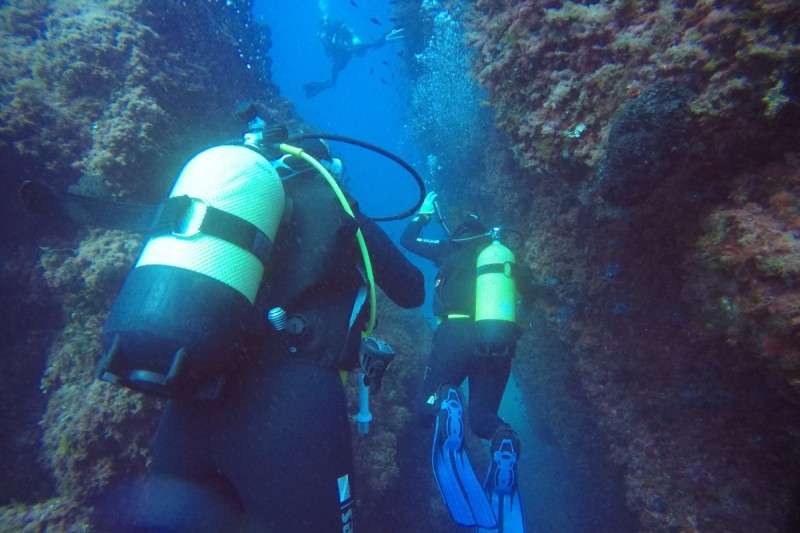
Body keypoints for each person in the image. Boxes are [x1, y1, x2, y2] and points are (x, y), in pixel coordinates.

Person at [80, 130, 426, 531]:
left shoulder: (221, 206)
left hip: (192, 397)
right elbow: (412, 291)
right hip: (293, 404)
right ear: (326, 170)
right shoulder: (337, 206)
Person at [401, 191, 530, 532]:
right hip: (498, 339)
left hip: (455, 333)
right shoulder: (501, 261)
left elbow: (407, 240)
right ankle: (503, 438)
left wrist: (424, 214)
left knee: (426, 411)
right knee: (483, 419)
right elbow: (530, 295)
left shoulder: (449, 247)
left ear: (459, 230)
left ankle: (447, 400)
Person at [303, 18, 403, 98]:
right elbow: (333, 52)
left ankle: (388, 37)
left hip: (348, 49)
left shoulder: (331, 32)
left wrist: (344, 49)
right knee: (336, 70)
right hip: (345, 53)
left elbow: (340, 47)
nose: (320, 34)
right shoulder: (329, 35)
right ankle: (322, 85)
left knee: (367, 46)